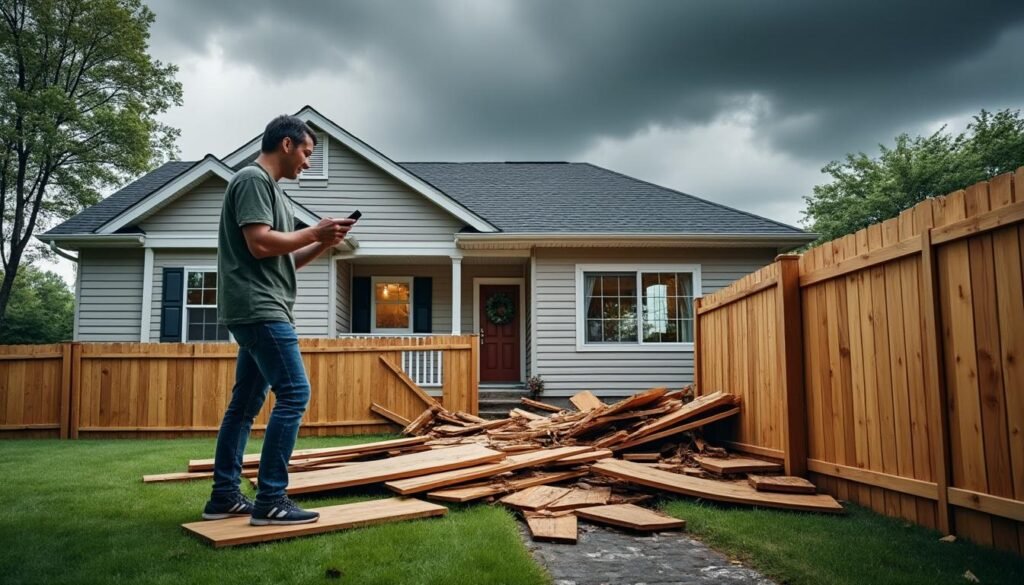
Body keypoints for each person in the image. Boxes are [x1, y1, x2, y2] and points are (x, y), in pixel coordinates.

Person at [201, 115, 354, 525]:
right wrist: (313, 232)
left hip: (260, 305)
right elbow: (259, 243)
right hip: (260, 307)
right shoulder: (252, 180)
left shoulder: (275, 194)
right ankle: (271, 499)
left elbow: (283, 258)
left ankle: (224, 497)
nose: (307, 162)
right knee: (294, 394)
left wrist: (323, 243)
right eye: (306, 152)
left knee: (245, 405)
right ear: (286, 145)